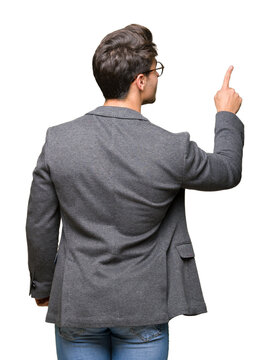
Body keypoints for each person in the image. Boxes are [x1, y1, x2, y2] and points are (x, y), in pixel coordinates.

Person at [26, 24, 244, 360]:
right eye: (155, 70)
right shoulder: (172, 148)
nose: (157, 77)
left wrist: (43, 286)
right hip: (144, 305)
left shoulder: (58, 140)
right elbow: (226, 171)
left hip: (78, 304)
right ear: (139, 81)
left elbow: (40, 224)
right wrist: (226, 115)